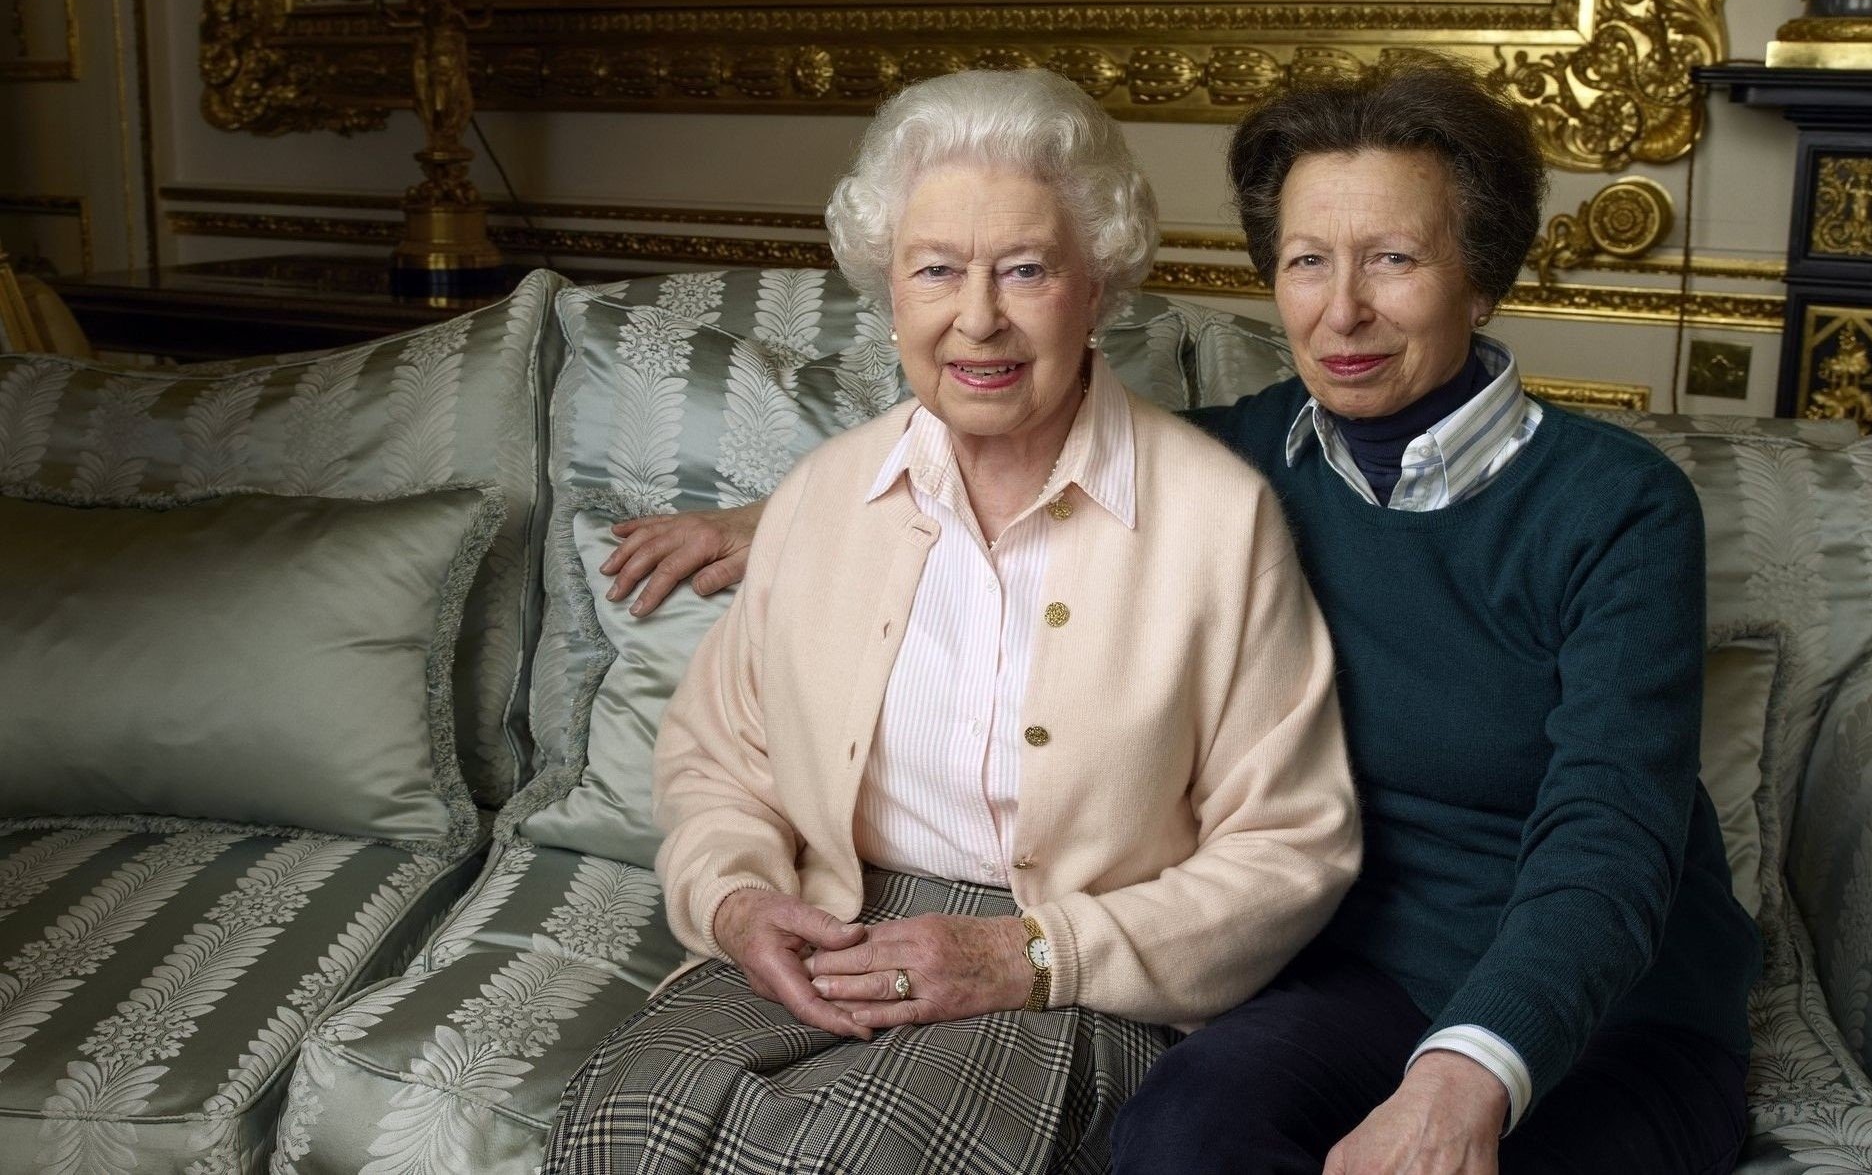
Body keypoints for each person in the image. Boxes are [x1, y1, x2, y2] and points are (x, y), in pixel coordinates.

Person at [598, 60, 1763, 1175]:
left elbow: (1611, 837)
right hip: (1356, 979)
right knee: (1181, 1141)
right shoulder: (1251, 453)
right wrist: (784, 518)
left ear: (1485, 273)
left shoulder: (1614, 506)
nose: (1343, 310)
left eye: (1395, 259)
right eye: (1307, 261)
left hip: (1600, 1008)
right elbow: (1026, 443)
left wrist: (1466, 1076)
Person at [545, 69, 1361, 1175]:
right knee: (619, 1136)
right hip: (835, 915)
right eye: (937, 271)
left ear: (1099, 288)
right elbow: (717, 762)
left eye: (1026, 269)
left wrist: (1031, 953)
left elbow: (1292, 848)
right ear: (891, 290)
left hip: (1072, 968)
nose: (979, 318)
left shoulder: (1219, 519)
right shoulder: (823, 496)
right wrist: (738, 902)